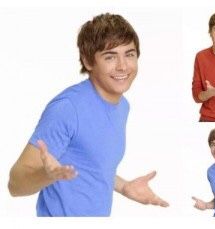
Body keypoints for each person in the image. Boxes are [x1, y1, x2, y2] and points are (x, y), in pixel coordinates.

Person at [8, 13, 169, 216]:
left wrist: (124, 187)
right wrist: (48, 175)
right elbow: (15, 185)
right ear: (88, 61)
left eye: (129, 54)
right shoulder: (67, 108)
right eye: (110, 56)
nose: (123, 66)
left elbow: (89, 163)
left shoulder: (122, 105)